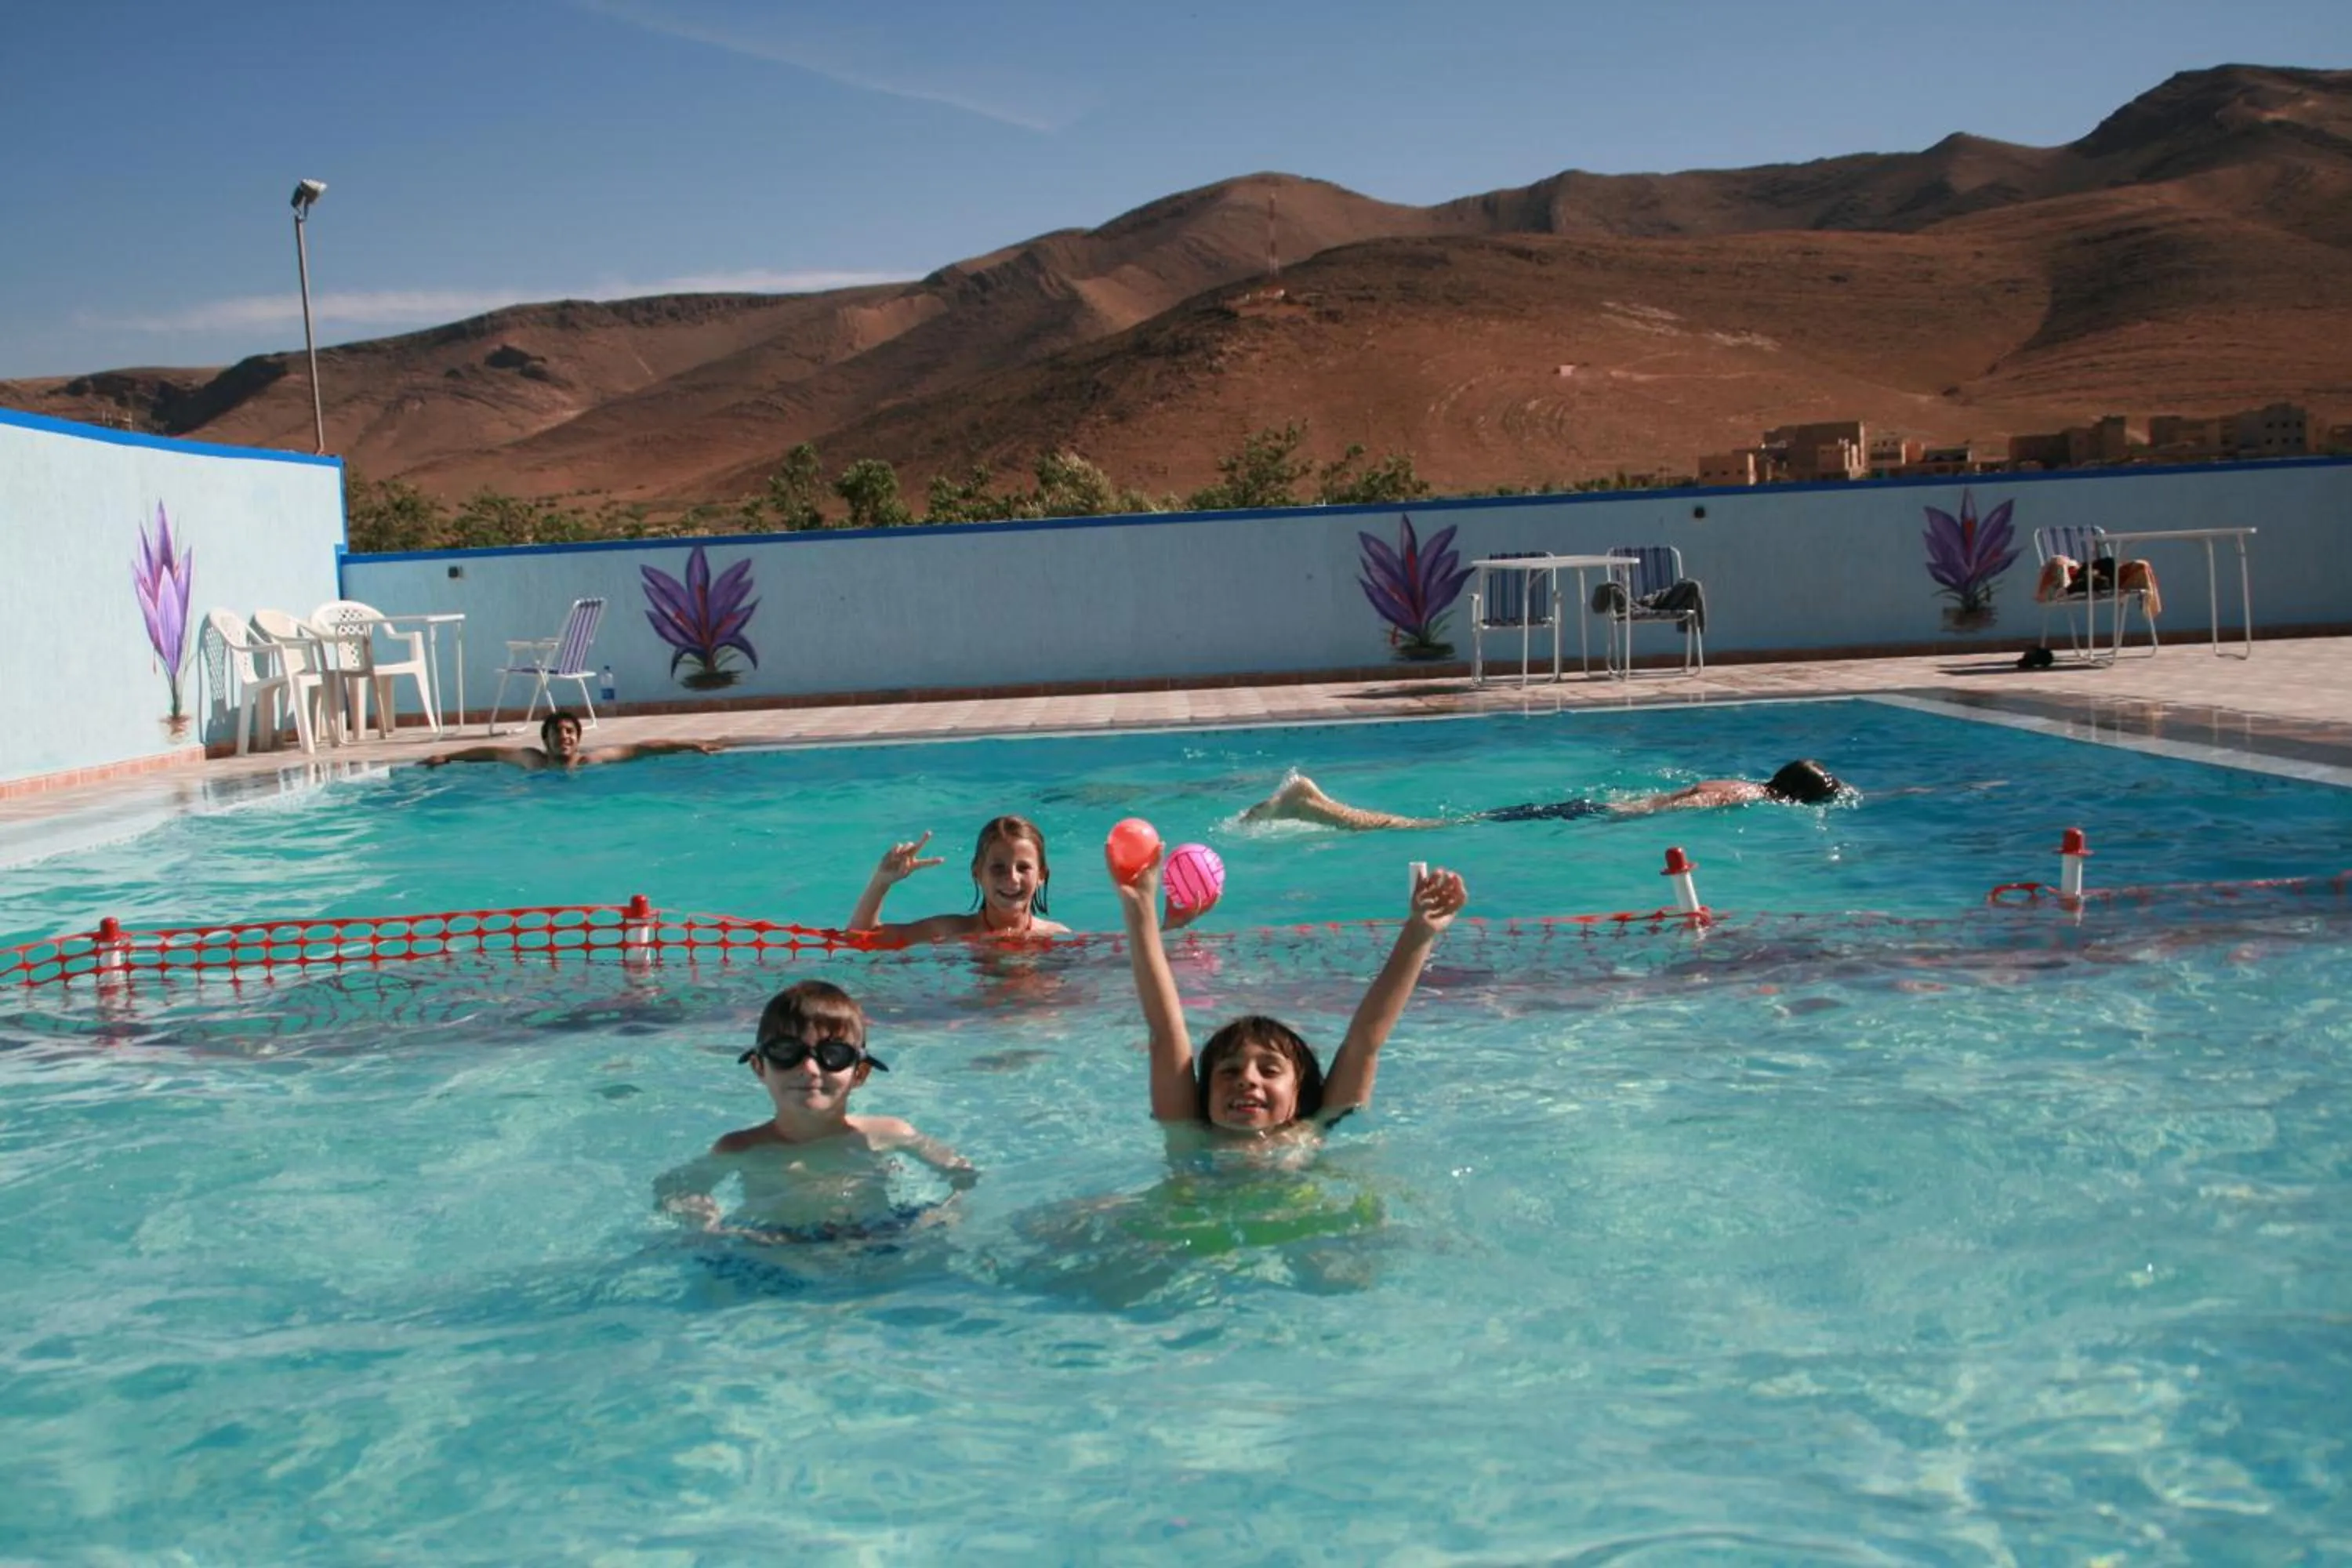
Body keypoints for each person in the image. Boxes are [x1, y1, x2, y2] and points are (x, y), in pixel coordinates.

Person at [1112, 843, 1468, 1142]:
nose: (1247, 1080)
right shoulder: (1190, 1135)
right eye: (1229, 1072)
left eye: (1269, 1071)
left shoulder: (1313, 1132)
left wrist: (1420, 933)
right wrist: (1141, 908)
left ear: (1300, 1095)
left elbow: (1366, 1040)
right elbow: (1165, 1032)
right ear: (1202, 1098)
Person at [653, 980, 975, 1245]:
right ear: (759, 1067)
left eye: (832, 1055)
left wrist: (945, 1212)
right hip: (774, 1250)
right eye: (786, 1052)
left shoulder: (889, 1133)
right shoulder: (741, 1148)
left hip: (876, 1242)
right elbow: (674, 1188)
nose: (809, 1069)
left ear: (860, 1074)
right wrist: (706, 1221)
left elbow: (965, 1175)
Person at [1243, 758, 1845, 831]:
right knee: (1432, 829)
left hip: (1592, 803)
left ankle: (1314, 804)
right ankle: (1311, 803)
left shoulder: (1738, 781)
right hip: (1597, 812)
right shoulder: (1740, 799)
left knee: (1447, 824)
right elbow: (1681, 804)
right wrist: (1624, 819)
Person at [847, 815, 1073, 945]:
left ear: (1042, 875)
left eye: (1023, 868)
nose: (1012, 879)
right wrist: (881, 882)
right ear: (977, 873)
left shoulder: (1057, 938)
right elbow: (860, 939)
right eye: (998, 868)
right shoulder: (948, 932)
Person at [419, 710, 724, 769]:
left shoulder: (591, 761)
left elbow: (640, 748)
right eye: (557, 733)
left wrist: (690, 743)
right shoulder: (532, 760)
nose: (563, 738)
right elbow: (490, 752)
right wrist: (450, 756)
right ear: (546, 740)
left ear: (577, 739)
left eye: (569, 733)